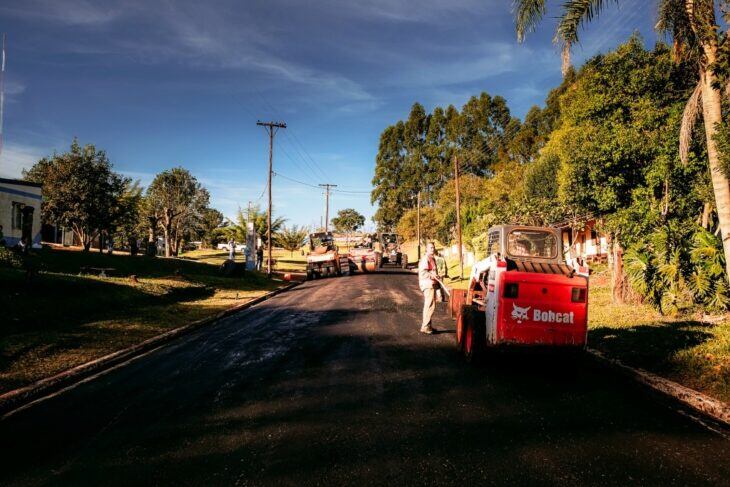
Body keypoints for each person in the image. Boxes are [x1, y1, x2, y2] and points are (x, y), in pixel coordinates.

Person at [418, 242, 439, 334]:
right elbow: (423, 273)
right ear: (426, 249)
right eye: (430, 247)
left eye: (433, 247)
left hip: (432, 284)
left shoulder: (432, 259)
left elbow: (433, 272)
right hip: (427, 284)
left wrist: (436, 276)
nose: (432, 249)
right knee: (429, 305)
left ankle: (428, 326)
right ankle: (425, 326)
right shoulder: (425, 259)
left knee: (431, 305)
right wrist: (432, 275)